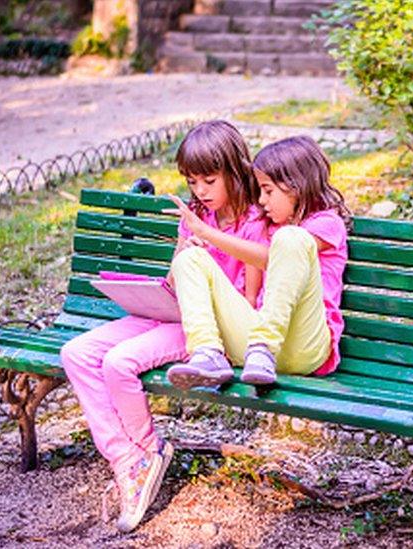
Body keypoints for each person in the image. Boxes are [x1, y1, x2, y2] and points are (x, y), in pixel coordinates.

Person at [59, 120, 265, 532]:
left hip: (210, 329)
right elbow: (174, 280)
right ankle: (129, 458)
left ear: (235, 171)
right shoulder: (194, 217)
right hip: (168, 313)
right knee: (75, 353)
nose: (201, 190)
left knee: (119, 363)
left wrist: (207, 258)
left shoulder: (253, 223)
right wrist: (183, 255)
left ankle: (144, 457)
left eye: (210, 179)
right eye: (193, 180)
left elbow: (246, 304)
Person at [166, 135, 350, 390]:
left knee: (291, 239)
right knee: (190, 258)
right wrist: (190, 241)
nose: (261, 200)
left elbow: (272, 258)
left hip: (305, 346)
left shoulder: (326, 224)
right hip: (253, 354)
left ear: (295, 186)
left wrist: (209, 234)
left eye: (268, 190)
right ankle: (207, 353)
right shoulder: (268, 226)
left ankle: (264, 346)